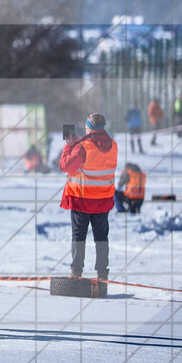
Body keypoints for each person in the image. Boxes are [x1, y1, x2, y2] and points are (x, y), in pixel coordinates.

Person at [59, 113, 117, 280]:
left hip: (82, 200)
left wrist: (70, 146)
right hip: (103, 200)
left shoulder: (83, 147)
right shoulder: (113, 145)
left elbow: (66, 166)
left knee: (79, 237)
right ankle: (102, 273)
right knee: (101, 237)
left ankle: (76, 272)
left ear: (89, 126)